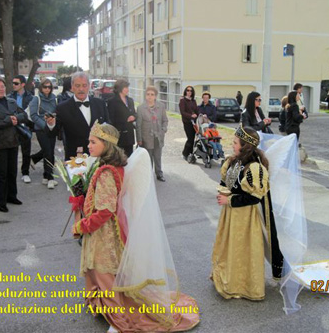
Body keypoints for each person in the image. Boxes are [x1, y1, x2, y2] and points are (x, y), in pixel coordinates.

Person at [72, 122, 200, 332]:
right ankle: (103, 305)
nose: (88, 145)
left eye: (93, 142)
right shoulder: (114, 167)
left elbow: (105, 211)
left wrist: (81, 225)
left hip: (104, 233)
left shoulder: (105, 172)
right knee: (107, 272)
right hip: (112, 230)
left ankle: (120, 320)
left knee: (103, 273)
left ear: (106, 145)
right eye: (89, 141)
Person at [212, 125, 284, 301]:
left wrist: (229, 200)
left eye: (235, 142)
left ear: (245, 146)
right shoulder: (232, 161)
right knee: (230, 247)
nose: (232, 144)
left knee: (242, 250)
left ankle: (245, 286)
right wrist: (223, 192)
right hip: (231, 215)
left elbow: (254, 198)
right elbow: (226, 181)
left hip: (245, 218)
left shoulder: (254, 168)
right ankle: (228, 277)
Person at [0, 77, 27, 212]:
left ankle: (12, 196)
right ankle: (1, 201)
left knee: (12, 172)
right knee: (1, 174)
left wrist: (16, 119)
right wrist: (8, 121)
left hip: (13, 141)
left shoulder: (11, 102)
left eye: (2, 86)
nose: (1, 89)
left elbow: (23, 115)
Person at [46, 72, 109, 160]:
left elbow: (108, 128)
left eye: (84, 85)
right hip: (75, 158)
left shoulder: (100, 104)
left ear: (89, 86)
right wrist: (51, 124)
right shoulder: (62, 107)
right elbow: (52, 134)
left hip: (99, 157)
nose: (81, 89)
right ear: (72, 87)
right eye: (77, 85)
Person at [29, 78, 59, 189]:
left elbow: (57, 112)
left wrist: (53, 122)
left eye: (49, 87)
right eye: (45, 87)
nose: (47, 89)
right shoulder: (36, 99)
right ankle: (51, 178)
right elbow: (33, 115)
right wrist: (44, 125)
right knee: (48, 152)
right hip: (41, 129)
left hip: (52, 127)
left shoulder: (54, 99)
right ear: (41, 88)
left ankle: (45, 176)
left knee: (50, 151)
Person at [136, 86, 168, 182]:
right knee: (148, 158)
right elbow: (138, 125)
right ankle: (148, 175)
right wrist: (139, 139)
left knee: (158, 157)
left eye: (152, 94)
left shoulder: (161, 106)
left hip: (158, 136)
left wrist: (163, 130)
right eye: (148, 94)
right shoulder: (141, 108)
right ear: (145, 96)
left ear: (155, 96)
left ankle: (159, 174)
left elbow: (165, 120)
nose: (150, 96)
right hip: (146, 137)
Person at [7, 75, 34, 184]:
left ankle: (25, 173)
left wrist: (28, 124)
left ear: (23, 84)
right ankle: (11, 173)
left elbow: (31, 113)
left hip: (25, 126)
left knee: (26, 151)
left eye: (16, 83)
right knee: (12, 152)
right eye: (13, 83)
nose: (14, 85)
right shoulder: (9, 97)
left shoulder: (30, 97)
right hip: (12, 127)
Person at [107, 79, 136, 157]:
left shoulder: (130, 100)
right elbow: (111, 119)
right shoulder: (112, 101)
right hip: (119, 136)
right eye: (125, 87)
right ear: (119, 88)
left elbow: (134, 113)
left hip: (129, 135)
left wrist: (133, 117)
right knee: (119, 158)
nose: (127, 89)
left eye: (127, 87)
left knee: (130, 158)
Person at [179, 85, 199, 161]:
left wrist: (198, 114)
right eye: (188, 90)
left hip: (194, 122)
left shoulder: (193, 101)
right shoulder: (183, 100)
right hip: (187, 122)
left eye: (191, 91)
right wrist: (191, 116)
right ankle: (185, 153)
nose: (189, 92)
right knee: (190, 138)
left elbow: (197, 110)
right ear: (185, 91)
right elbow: (183, 112)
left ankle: (190, 154)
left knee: (193, 138)